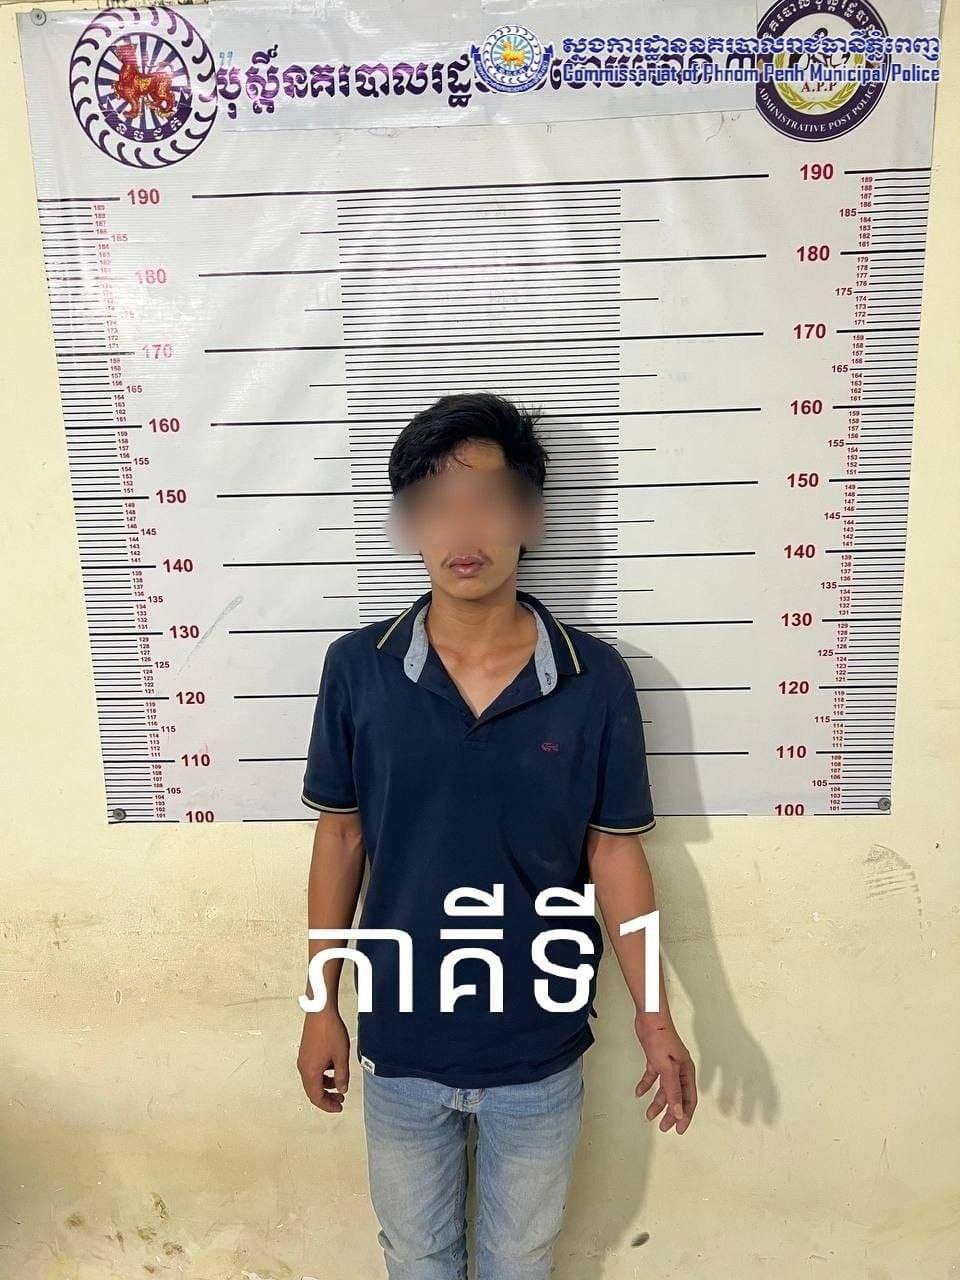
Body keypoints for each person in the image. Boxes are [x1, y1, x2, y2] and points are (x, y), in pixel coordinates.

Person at [296, 392, 697, 1279]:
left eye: (487, 499)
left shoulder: (594, 679)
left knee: (521, 1256)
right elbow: (340, 840)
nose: (463, 528)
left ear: (531, 517)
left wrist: (657, 1016)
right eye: (435, 504)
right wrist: (321, 1005)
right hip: (402, 1036)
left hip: (539, 1043)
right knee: (416, 1255)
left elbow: (613, 852)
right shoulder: (358, 670)